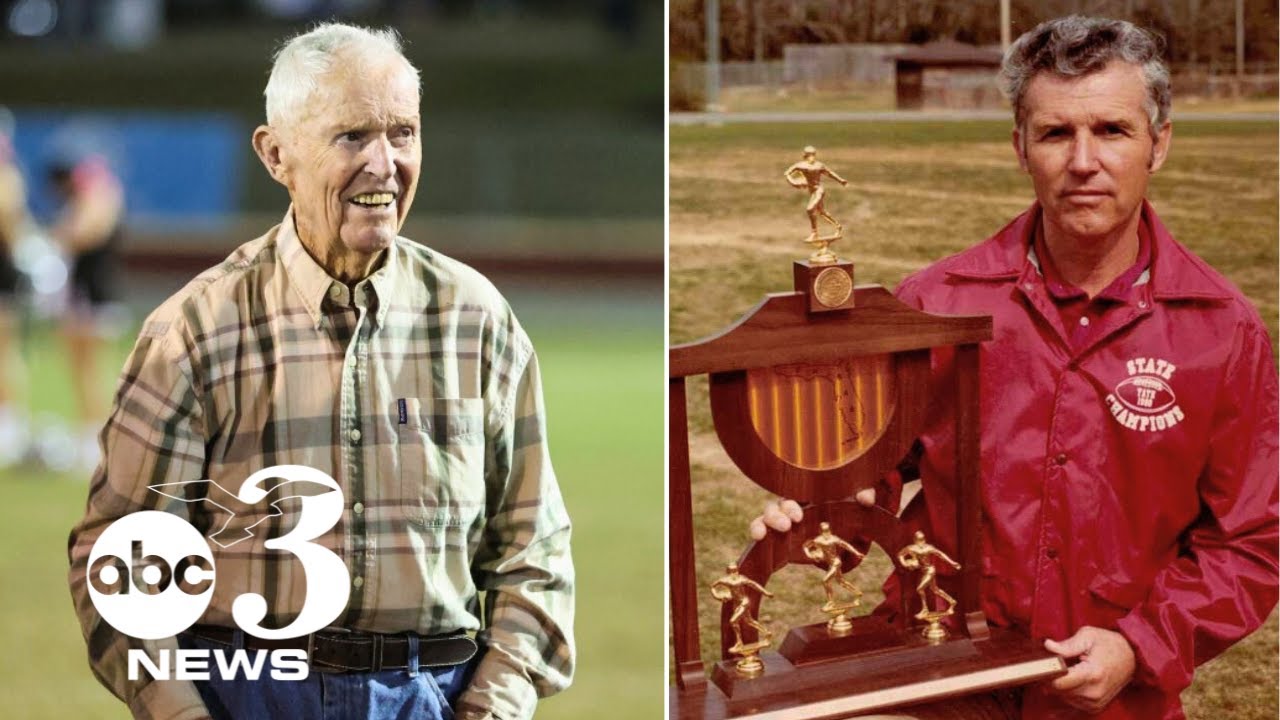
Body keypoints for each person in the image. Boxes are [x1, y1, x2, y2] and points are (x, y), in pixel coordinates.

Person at [752, 16, 1277, 719]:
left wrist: (1139, 644)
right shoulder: (934, 305)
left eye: (1113, 130)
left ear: (1159, 144)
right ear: (1019, 147)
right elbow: (868, 474)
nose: (1083, 161)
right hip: (937, 676)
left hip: (1114, 697)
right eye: (1056, 133)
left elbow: (1249, 543)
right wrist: (817, 513)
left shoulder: (1222, 329)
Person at [67, 23, 573, 720]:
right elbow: (120, 561)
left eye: (402, 132)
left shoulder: (477, 321)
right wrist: (182, 713)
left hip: (437, 696)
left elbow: (534, 554)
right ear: (277, 155)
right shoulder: (194, 333)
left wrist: (490, 708)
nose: (384, 163)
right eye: (352, 137)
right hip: (245, 692)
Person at [47, 149, 126, 471]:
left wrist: (60, 234)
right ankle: (86, 435)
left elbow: (82, 234)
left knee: (94, 371)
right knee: (79, 370)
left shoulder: (100, 203)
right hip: (81, 297)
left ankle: (101, 440)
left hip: (96, 297)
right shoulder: (88, 202)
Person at [784, 145, 848, 243]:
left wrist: (841, 180)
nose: (812, 157)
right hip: (812, 191)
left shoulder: (819, 165)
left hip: (819, 190)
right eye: (809, 155)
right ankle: (838, 226)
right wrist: (793, 182)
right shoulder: (801, 165)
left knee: (810, 209)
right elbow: (787, 173)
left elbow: (830, 173)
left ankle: (814, 233)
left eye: (813, 155)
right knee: (822, 212)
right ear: (805, 155)